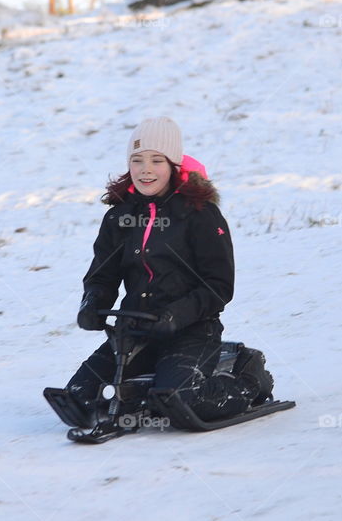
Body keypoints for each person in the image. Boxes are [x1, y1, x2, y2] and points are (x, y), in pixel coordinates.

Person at [65, 116, 274, 423]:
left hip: (191, 331)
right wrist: (92, 303)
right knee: (77, 398)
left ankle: (247, 376)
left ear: (174, 164)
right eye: (137, 160)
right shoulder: (119, 217)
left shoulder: (201, 215)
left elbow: (218, 286)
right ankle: (144, 396)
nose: (145, 169)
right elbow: (102, 275)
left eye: (156, 160)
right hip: (133, 332)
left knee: (182, 401)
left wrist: (177, 315)